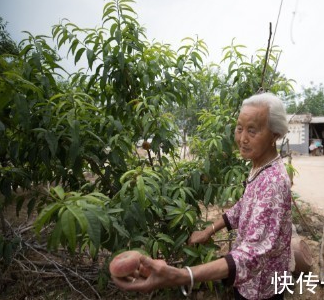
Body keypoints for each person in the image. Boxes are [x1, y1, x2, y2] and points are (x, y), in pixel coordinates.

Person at [112, 92, 292, 300]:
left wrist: (180, 275)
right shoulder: (259, 166)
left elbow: (253, 254)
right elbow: (244, 205)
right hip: (248, 281)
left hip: (261, 287)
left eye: (252, 130)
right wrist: (210, 230)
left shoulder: (272, 182)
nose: (242, 139)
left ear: (275, 135)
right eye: (239, 128)